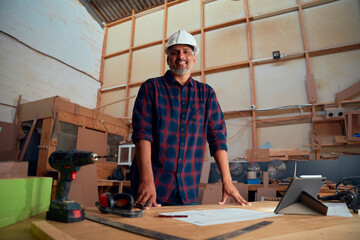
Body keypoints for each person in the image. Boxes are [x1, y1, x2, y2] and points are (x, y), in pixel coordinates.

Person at [130, 30, 249, 209]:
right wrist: (147, 180)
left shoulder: (206, 94)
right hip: (150, 188)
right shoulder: (151, 88)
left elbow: (217, 138)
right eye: (174, 52)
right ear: (168, 59)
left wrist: (227, 181)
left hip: (187, 190)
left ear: (194, 58)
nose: (181, 56)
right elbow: (142, 134)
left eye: (186, 51)